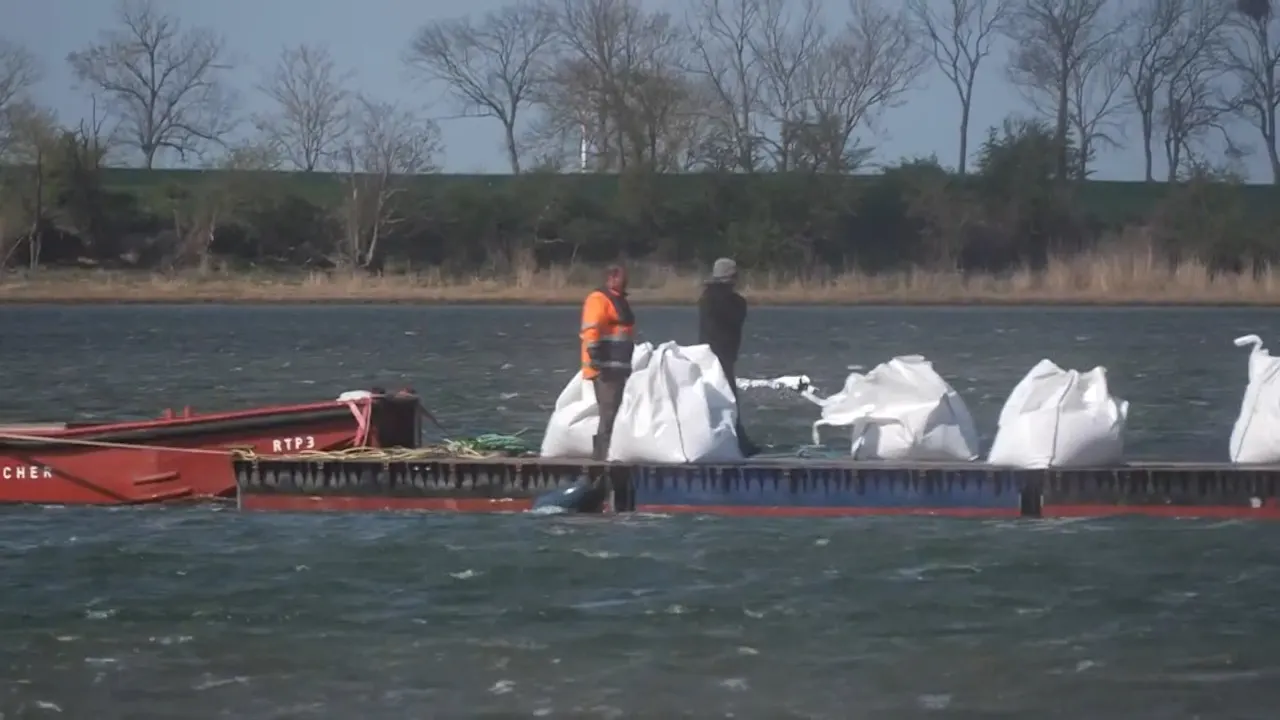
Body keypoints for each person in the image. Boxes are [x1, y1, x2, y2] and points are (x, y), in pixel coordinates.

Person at [698, 258, 760, 456]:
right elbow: (735, 317)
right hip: (723, 355)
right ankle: (738, 442)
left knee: (714, 399)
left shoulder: (706, 299)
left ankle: (723, 438)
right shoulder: (734, 302)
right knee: (730, 398)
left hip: (706, 355)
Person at [580, 265, 635, 461]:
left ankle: (605, 454)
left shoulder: (619, 300)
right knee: (608, 412)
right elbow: (592, 329)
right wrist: (595, 357)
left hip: (618, 367)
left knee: (612, 412)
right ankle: (600, 457)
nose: (626, 281)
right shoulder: (599, 299)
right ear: (611, 278)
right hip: (604, 367)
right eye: (622, 277)